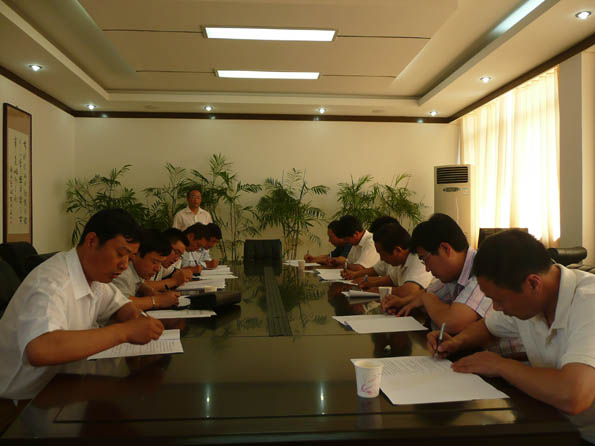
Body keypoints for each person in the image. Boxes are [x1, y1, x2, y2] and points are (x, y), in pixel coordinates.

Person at [428, 230, 595, 442]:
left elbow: (573, 396)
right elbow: (487, 327)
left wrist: (501, 365)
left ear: (533, 283)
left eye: (499, 300)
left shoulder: (588, 302)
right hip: (552, 423)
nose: (496, 307)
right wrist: (456, 342)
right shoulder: (530, 301)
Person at [0, 208, 165, 400]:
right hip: (19, 400)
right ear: (91, 241)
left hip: (60, 382)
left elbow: (120, 305)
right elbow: (40, 349)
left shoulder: (94, 275)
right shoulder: (52, 282)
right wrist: (124, 332)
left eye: (129, 258)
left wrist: (135, 318)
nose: (124, 265)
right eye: (121, 254)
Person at [392, 213, 492, 335]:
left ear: (446, 249)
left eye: (425, 259)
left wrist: (426, 298)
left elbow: (452, 323)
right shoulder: (454, 274)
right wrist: (403, 302)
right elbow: (428, 293)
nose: (427, 269)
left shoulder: (483, 271)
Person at [112, 230, 180, 310]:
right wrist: (157, 300)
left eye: (160, 263)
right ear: (136, 254)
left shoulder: (137, 272)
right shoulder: (122, 271)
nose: (158, 269)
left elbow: (139, 285)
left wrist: (151, 292)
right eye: (154, 262)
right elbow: (122, 304)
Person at [371, 222, 433, 306]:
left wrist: (379, 291)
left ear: (398, 250)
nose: (381, 259)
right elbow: (390, 280)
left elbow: (409, 292)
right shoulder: (400, 262)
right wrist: (368, 283)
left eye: (383, 254)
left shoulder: (418, 259)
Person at [342, 216, 402, 288]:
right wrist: (354, 275)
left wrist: (374, 284)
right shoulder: (389, 254)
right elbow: (376, 270)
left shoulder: (411, 259)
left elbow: (407, 290)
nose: (381, 258)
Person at [144, 228, 193, 293]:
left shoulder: (163, 265)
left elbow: (174, 272)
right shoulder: (146, 258)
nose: (176, 259)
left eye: (179, 256)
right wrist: (174, 281)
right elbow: (140, 286)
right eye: (176, 252)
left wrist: (183, 274)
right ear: (165, 244)